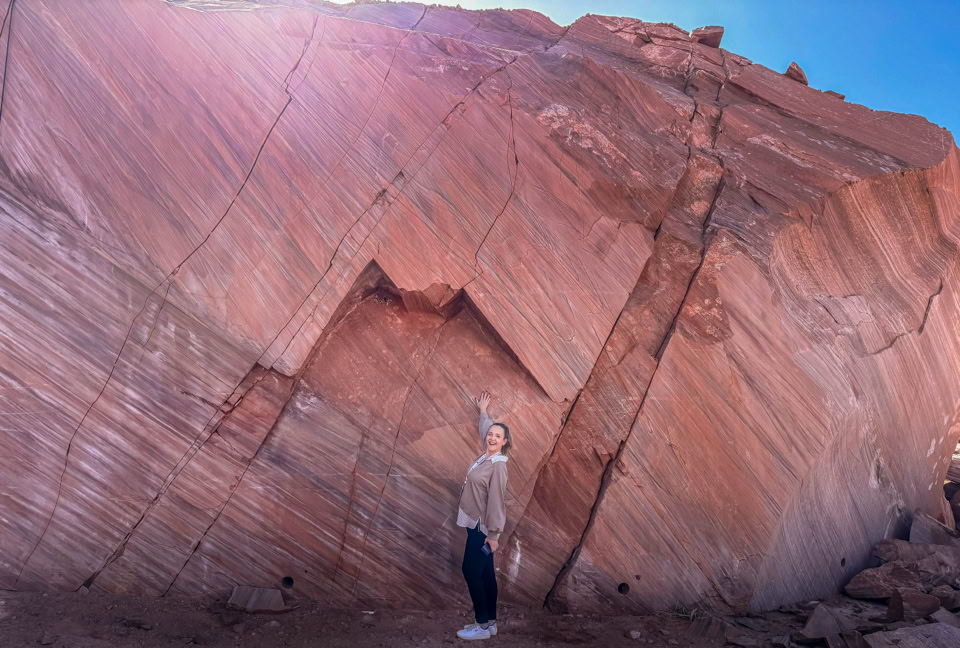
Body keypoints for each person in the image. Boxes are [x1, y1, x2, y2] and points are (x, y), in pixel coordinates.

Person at [455, 391, 512, 641]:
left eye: (497, 436)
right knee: (486, 573)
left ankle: (480, 625)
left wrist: (494, 535)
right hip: (475, 525)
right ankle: (490, 623)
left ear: (504, 442)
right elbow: (485, 432)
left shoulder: (498, 465)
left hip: (483, 529)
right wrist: (483, 412)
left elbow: (497, 501)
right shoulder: (486, 456)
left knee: (471, 571)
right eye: (491, 434)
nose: (492, 437)